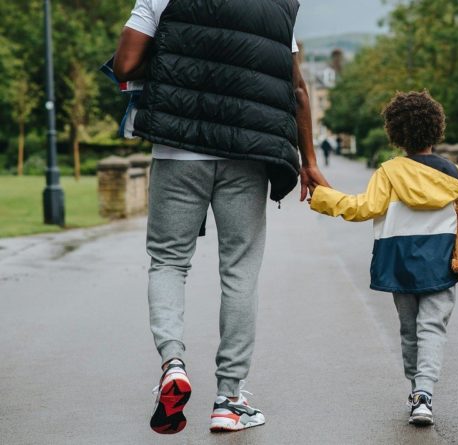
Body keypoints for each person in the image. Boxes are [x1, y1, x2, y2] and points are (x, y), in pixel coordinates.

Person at [113, 0, 329, 434]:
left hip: (177, 149)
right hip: (247, 154)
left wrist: (178, 57)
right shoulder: (279, 5)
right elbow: (298, 88)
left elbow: (126, 64)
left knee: (170, 261)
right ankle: (230, 400)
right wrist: (308, 160)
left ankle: (173, 364)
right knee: (239, 271)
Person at [308, 91, 458, 426]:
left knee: (409, 329)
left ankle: (415, 390)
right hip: (440, 259)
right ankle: (425, 392)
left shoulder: (389, 172)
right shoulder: (453, 173)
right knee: (432, 327)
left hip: (399, 260)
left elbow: (364, 208)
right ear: (436, 129)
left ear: (395, 133)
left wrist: (323, 198)